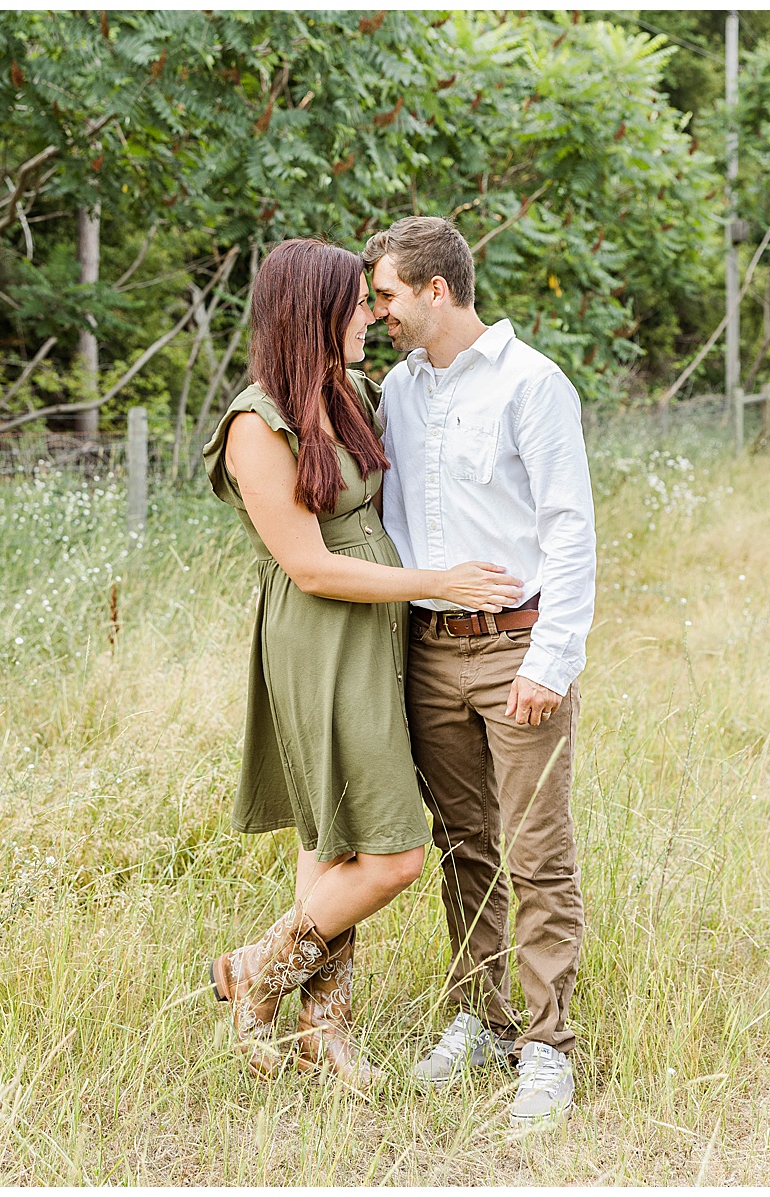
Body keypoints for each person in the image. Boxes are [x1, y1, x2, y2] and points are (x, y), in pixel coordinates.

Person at [199, 238, 523, 1089]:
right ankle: (251, 971)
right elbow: (309, 564)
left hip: (380, 631)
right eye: (356, 305)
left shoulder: (350, 396)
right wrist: (439, 580)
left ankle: (325, 1031)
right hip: (320, 635)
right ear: (312, 312)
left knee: (331, 841)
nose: (370, 321)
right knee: (392, 855)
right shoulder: (255, 422)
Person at [363, 215, 595, 1126]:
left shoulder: (533, 385)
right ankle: (483, 1018)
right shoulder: (396, 389)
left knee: (536, 849)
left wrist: (551, 658)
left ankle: (546, 1046)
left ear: (436, 290)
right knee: (465, 845)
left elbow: (568, 529)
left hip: (515, 647)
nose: (376, 310)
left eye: (386, 294)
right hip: (430, 650)